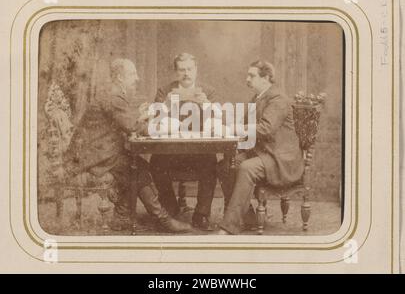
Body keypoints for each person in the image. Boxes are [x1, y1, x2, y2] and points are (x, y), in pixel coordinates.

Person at [62, 58, 191, 233]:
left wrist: (141, 115)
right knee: (136, 168)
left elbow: (122, 120)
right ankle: (162, 219)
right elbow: (131, 126)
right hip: (92, 156)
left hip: (97, 149)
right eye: (132, 74)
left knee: (139, 165)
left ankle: (122, 216)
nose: (137, 78)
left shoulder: (113, 92)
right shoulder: (114, 95)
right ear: (120, 77)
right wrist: (164, 128)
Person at [217, 60, 304, 235]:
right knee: (224, 166)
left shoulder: (278, 98)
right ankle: (247, 217)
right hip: (265, 154)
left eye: (252, 75)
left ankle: (229, 227)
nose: (247, 79)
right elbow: (245, 127)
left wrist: (235, 129)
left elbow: (266, 128)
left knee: (246, 167)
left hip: (281, 159)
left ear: (266, 78)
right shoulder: (258, 98)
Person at [150, 53, 218, 231]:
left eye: (189, 69)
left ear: (196, 70)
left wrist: (207, 105)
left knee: (211, 161)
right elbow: (154, 119)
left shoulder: (208, 91)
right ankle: (171, 208)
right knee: (156, 162)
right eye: (182, 69)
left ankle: (201, 214)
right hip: (171, 151)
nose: (186, 73)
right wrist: (165, 103)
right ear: (176, 72)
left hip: (199, 151)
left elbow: (220, 119)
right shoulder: (165, 91)